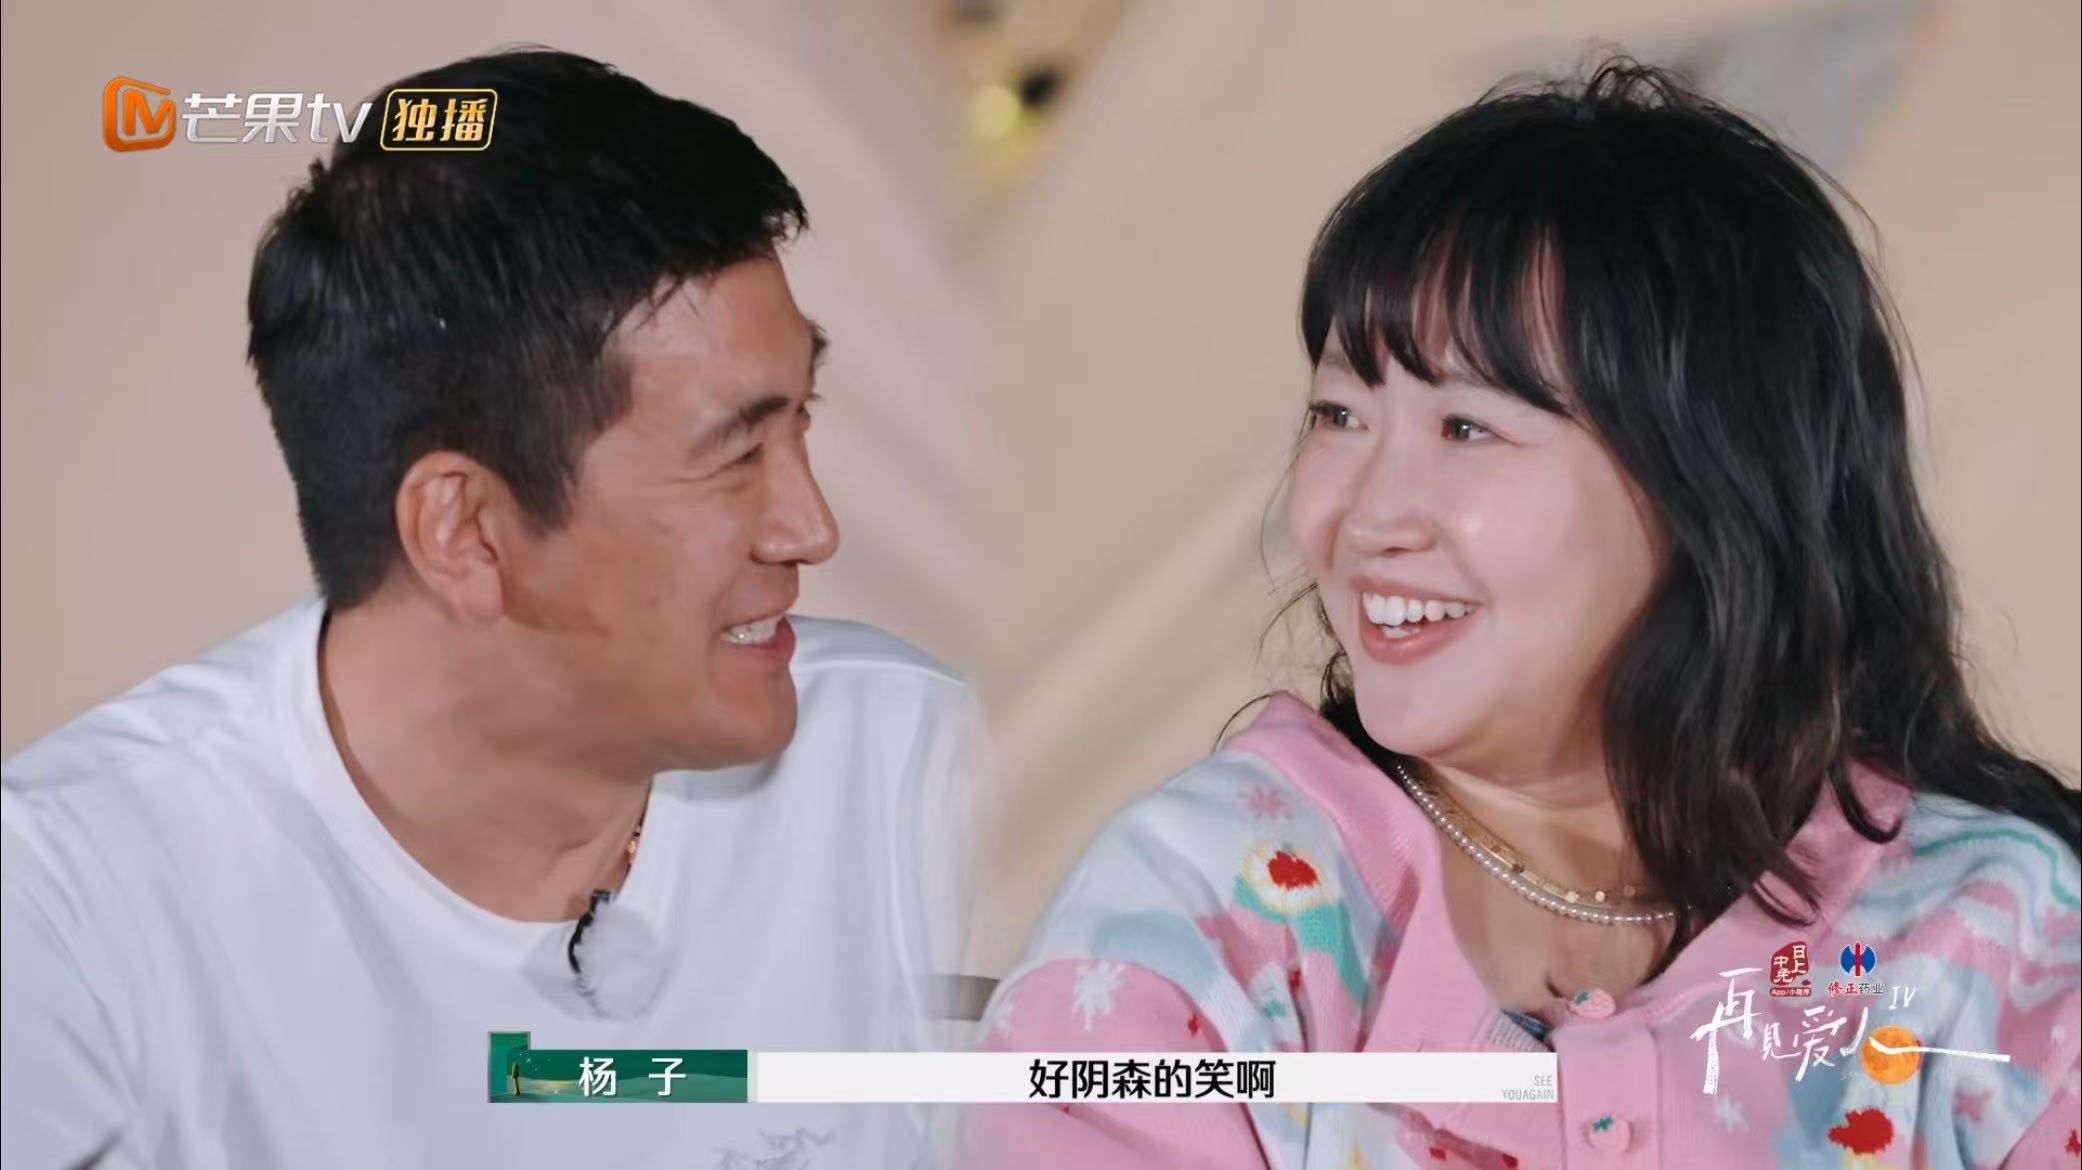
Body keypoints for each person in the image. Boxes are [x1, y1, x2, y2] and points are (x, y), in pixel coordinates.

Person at [962, 60, 2079, 1169]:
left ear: (1711, 478)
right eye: (1340, 414)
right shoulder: (1201, 921)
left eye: (1466, 428)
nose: (1367, 517)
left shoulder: (1993, 937)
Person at [3, 48, 980, 1170]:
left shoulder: (913, 765)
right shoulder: (63, 911)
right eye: (735, 454)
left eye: (802, 420)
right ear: (464, 531)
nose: (810, 528)